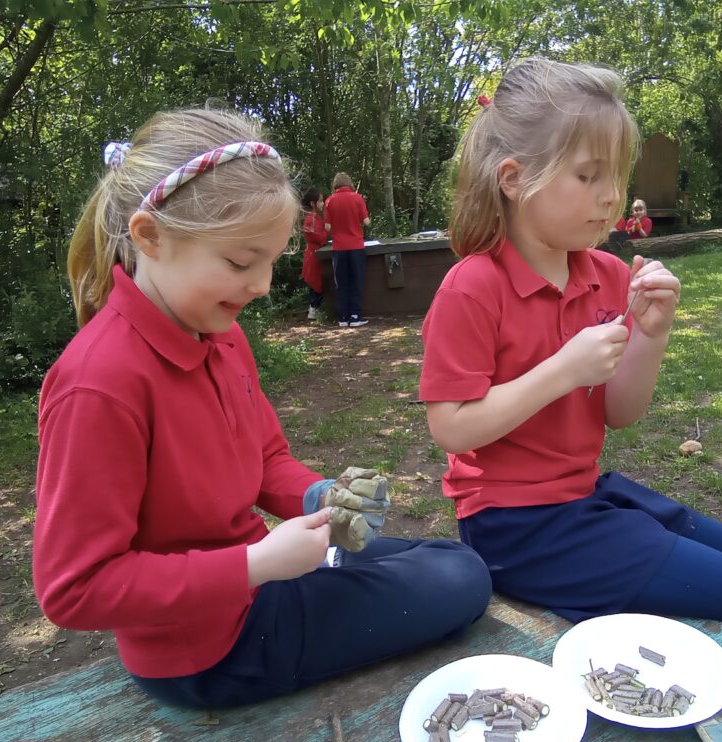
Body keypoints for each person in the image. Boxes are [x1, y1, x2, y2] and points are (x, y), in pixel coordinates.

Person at [33, 107, 491, 710]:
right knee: (464, 579)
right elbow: (74, 589)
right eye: (240, 263)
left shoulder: (218, 332)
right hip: (211, 650)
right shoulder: (99, 384)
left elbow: (265, 455)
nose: (263, 285)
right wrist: (253, 564)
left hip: (256, 586)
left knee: (451, 557)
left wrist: (319, 497)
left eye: (272, 261)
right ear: (149, 237)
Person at [420, 59, 722, 639]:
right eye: (588, 176)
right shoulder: (473, 287)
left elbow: (619, 413)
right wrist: (562, 371)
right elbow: (452, 429)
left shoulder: (606, 274)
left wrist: (652, 334)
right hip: (513, 524)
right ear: (513, 179)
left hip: (584, 495)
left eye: (617, 176)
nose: (612, 197)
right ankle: (591, 635)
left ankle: (602, 601)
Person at [324, 172, 371, 327]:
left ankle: (343, 317)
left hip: (339, 247)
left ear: (335, 185)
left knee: (341, 282)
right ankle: (355, 315)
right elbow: (366, 222)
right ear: (349, 183)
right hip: (356, 246)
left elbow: (327, 227)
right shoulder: (357, 198)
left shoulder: (329, 201)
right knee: (356, 281)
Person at [300, 186, 327, 320]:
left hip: (315, 254)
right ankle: (313, 309)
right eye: (321, 201)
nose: (323, 204)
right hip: (313, 255)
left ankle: (316, 308)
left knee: (318, 283)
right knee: (316, 283)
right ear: (313, 203)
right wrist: (327, 231)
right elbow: (319, 237)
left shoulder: (314, 218)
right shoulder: (311, 220)